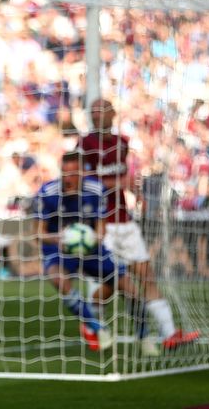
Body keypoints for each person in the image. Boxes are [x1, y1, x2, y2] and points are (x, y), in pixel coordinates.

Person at [80, 98, 199, 352]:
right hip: (103, 226)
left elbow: (124, 177)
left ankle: (169, 334)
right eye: (93, 111)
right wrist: (117, 183)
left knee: (147, 277)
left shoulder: (122, 142)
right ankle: (94, 327)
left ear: (112, 113)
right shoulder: (85, 144)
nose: (97, 115)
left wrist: (136, 189)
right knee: (108, 286)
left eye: (101, 110)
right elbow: (86, 184)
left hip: (125, 221)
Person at [35, 151, 148, 353]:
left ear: (83, 172)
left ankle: (144, 336)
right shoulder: (48, 192)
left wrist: (93, 238)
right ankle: (97, 327)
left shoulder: (96, 189)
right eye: (65, 173)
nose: (69, 178)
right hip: (58, 247)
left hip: (91, 248)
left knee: (129, 287)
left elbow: (101, 228)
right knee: (58, 279)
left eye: (74, 173)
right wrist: (58, 238)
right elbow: (38, 233)